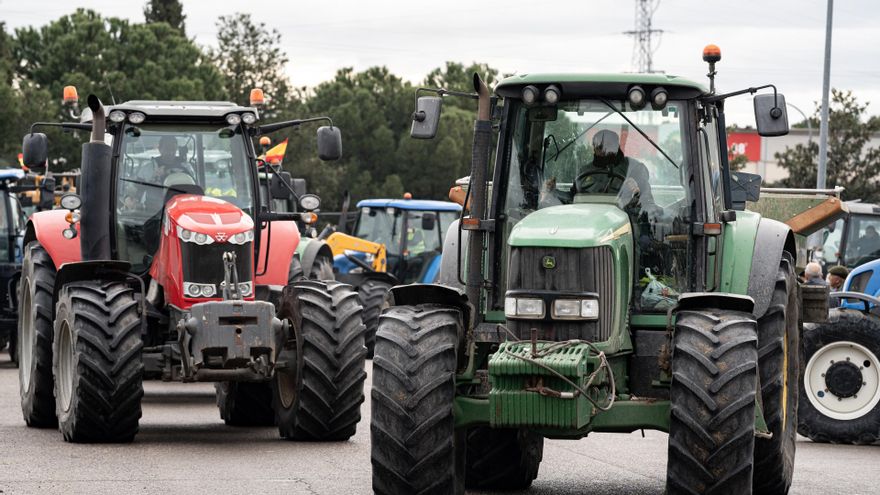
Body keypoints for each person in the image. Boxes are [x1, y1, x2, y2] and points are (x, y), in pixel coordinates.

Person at [573, 129, 656, 213]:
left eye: (608, 145)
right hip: (587, 217)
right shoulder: (583, 172)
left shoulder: (634, 168)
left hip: (626, 218)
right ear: (594, 148)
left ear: (617, 145)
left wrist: (637, 192)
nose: (604, 150)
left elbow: (647, 202)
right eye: (599, 147)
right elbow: (570, 198)